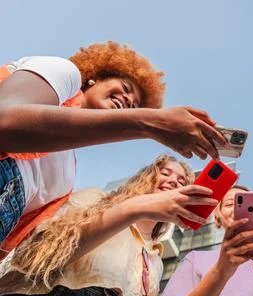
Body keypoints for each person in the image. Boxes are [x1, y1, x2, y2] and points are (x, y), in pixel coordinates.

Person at [0, 41, 227, 252]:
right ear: (95, 79)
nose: (128, 101)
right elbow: (5, 121)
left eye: (135, 106)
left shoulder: (66, 178)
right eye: (126, 88)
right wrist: (147, 122)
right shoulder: (64, 73)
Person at [0, 154, 217, 296]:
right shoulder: (95, 199)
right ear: (146, 177)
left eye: (181, 181)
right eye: (165, 173)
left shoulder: (155, 260)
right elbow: (37, 256)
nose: (173, 181)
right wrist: (135, 208)